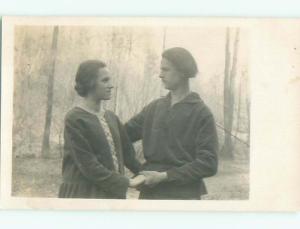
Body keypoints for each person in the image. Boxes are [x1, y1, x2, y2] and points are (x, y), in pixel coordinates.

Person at [125, 47, 219, 200]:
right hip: (150, 194)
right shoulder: (154, 107)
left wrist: (164, 176)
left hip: (184, 195)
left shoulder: (201, 113)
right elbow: (122, 136)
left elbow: (209, 163)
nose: (160, 75)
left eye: (166, 70)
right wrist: (139, 169)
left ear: (182, 72)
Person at [59, 60, 145, 199]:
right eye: (105, 80)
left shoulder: (111, 117)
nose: (111, 85)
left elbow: (128, 155)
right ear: (90, 83)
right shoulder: (74, 119)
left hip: (111, 193)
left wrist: (146, 174)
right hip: (84, 194)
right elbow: (89, 165)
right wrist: (128, 182)